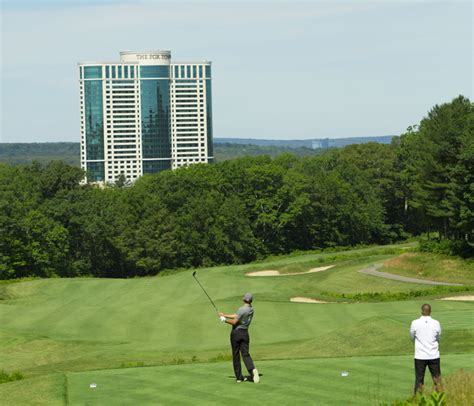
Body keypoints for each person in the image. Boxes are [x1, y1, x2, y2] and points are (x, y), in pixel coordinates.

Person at [219, 293, 260, 383]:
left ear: (244, 299)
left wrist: (224, 320)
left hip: (236, 333)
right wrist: (224, 315)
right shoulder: (251, 309)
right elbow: (237, 315)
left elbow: (234, 322)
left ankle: (239, 377)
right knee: (245, 354)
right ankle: (252, 370)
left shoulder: (242, 309)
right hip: (245, 333)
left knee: (236, 354)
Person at [410, 303, 442, 394]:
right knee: (437, 380)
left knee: (419, 380)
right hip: (434, 355)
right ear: (430, 312)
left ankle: (417, 400)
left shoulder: (414, 323)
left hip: (420, 356)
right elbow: (439, 338)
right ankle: (440, 399)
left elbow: (412, 337)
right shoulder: (436, 323)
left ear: (421, 311)